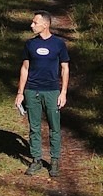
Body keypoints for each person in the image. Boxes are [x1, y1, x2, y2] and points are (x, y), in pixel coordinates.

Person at [15, 10, 69, 179]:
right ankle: (36, 159)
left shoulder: (58, 44)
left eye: (35, 22)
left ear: (45, 25)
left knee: (54, 128)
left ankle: (54, 161)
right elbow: (24, 68)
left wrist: (63, 92)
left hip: (52, 91)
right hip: (32, 91)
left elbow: (65, 68)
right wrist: (20, 93)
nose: (31, 25)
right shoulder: (30, 45)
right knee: (34, 127)